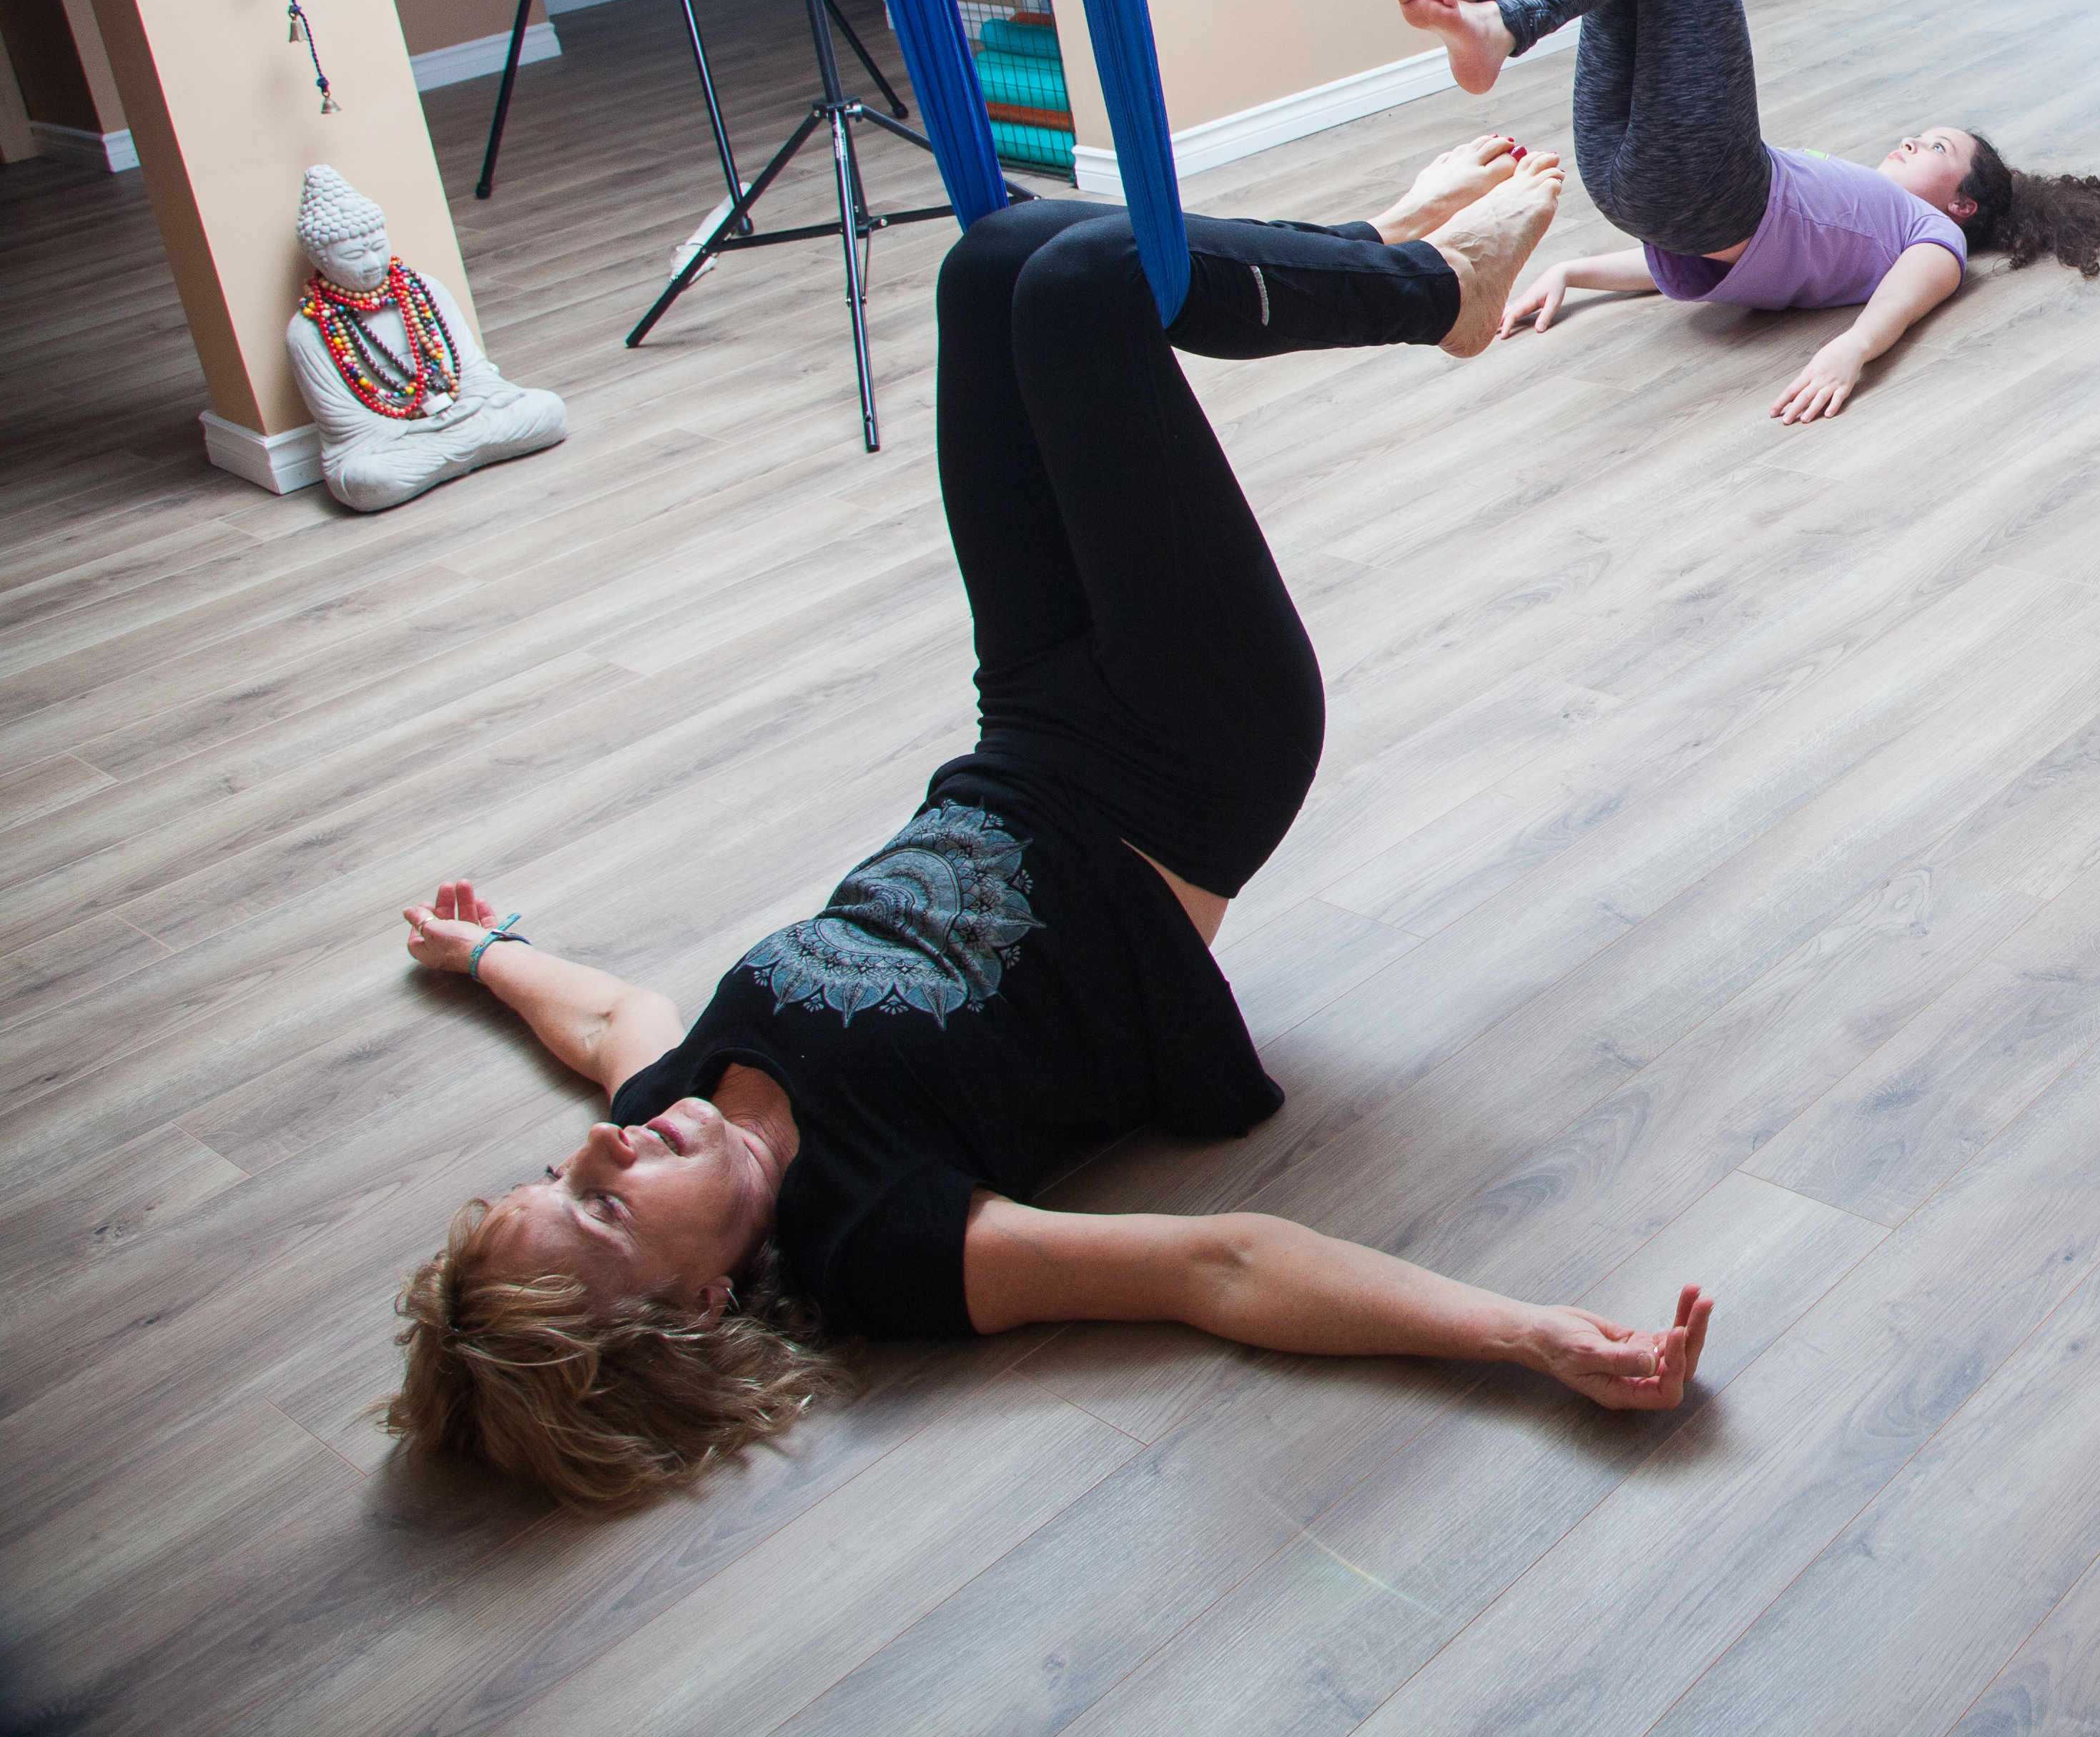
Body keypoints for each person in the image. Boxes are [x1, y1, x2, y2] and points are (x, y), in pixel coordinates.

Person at [383, 149, 1720, 1517]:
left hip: (1026, 718)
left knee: (995, 259)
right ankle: (1426, 284)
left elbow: (604, 1008)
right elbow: (1219, 1268)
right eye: (602, 1207)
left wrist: (486, 950)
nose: (606, 1147)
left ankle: (1357, 263)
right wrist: (1529, 1334)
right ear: (696, 1301)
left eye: (560, 1167)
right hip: (1191, 763)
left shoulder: (658, 1102)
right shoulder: (876, 1232)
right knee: (1085, 281)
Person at [1388, 0, 2100, 418]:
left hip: (1700, 189)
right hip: (1644, 189)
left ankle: (1505, 19)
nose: (1910, 140)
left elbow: (1907, 298)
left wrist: (1854, 351)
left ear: (1961, 203)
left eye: (1935, 148)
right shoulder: (1837, 223)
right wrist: (1574, 270)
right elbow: (1702, 254)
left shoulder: (1931, 238)